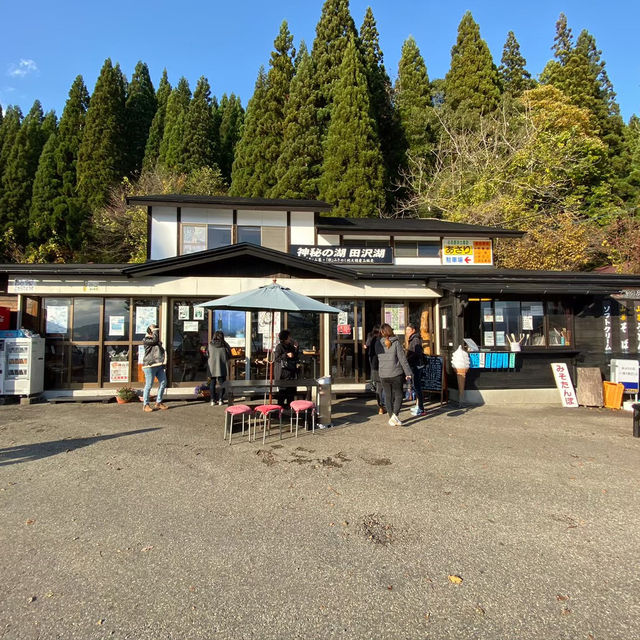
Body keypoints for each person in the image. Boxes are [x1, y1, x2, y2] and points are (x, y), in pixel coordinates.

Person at [375, 323, 412, 427]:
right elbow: (402, 359)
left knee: (388, 396)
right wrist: (408, 372)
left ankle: (391, 417)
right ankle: (394, 416)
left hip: (383, 374)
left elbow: (377, 357)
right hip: (396, 373)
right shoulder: (396, 343)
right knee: (399, 394)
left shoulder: (378, 344)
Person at [142, 324, 168, 412]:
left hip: (159, 365)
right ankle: (146, 404)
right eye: (155, 330)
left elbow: (160, 351)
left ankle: (159, 402)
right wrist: (154, 330)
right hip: (149, 365)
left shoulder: (156, 340)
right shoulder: (146, 339)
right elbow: (155, 340)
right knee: (149, 385)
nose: (157, 332)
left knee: (163, 382)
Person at [274, 329, 299, 410]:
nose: (290, 338)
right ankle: (280, 412)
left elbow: (295, 356)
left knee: (291, 394)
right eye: (289, 337)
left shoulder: (290, 346)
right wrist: (286, 355)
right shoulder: (279, 347)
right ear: (285, 338)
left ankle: (290, 411)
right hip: (283, 374)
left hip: (291, 373)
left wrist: (296, 348)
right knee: (282, 394)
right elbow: (277, 358)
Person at [405, 323, 425, 416]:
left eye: (408, 330)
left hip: (417, 365)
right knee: (416, 386)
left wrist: (408, 359)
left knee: (417, 387)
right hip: (415, 365)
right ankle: (418, 406)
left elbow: (417, 353)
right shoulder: (413, 339)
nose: (407, 332)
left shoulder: (415, 339)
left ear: (413, 330)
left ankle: (421, 408)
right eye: (406, 330)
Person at [208, 330, 232, 406]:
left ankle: (212, 399)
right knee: (222, 383)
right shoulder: (225, 345)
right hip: (222, 366)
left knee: (212, 383)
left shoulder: (210, 344)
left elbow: (206, 353)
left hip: (212, 366)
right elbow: (230, 354)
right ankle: (221, 399)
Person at [366, 324, 386, 414]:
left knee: (379, 387)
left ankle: (380, 407)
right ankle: (384, 405)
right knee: (384, 386)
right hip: (381, 366)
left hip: (374, 365)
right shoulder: (381, 341)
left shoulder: (373, 339)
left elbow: (370, 353)